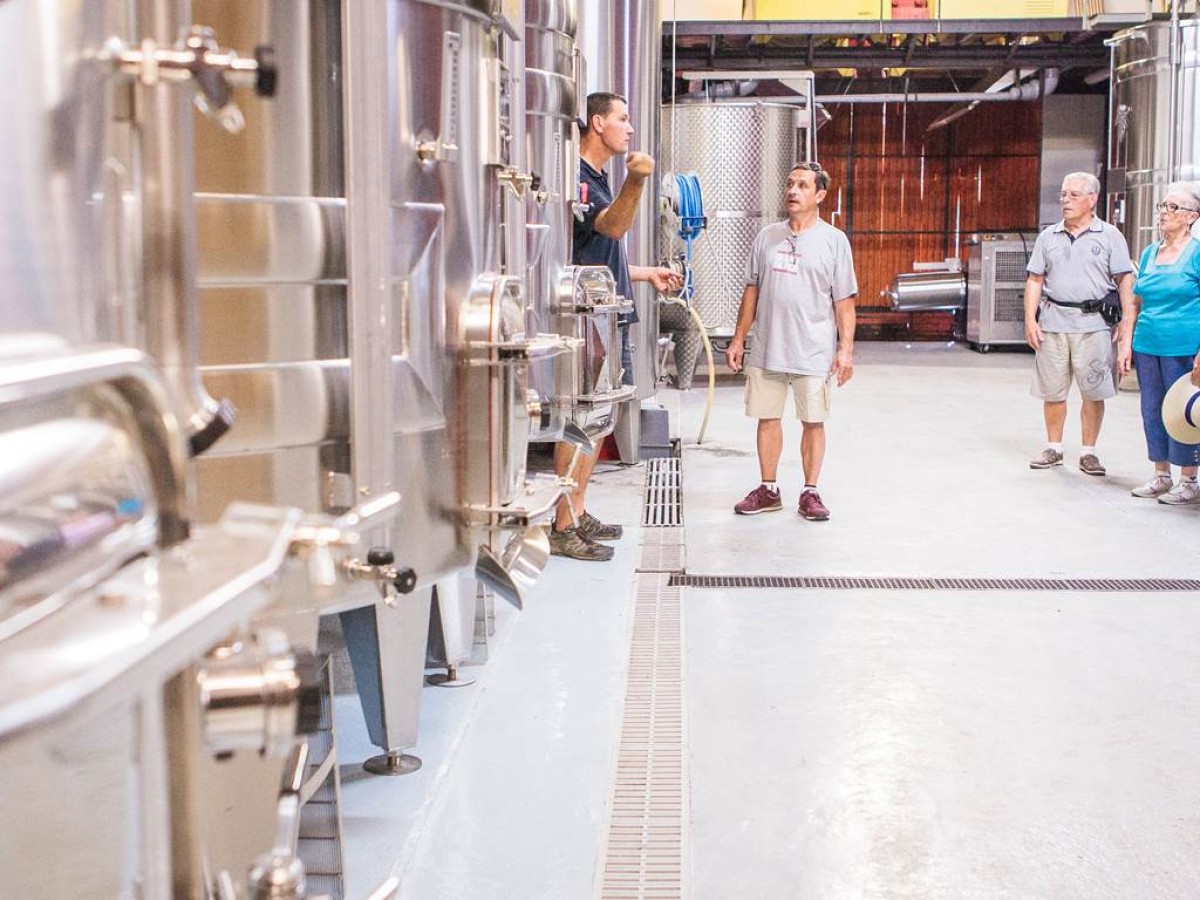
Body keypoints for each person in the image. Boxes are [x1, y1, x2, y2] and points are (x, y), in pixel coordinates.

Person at [549, 91, 682, 561]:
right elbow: (610, 229)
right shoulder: (580, 178)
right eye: (622, 119)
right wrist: (637, 181)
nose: (629, 128)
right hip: (586, 317)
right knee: (581, 418)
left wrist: (643, 275)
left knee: (599, 418)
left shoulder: (597, 177)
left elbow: (601, 250)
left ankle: (578, 510)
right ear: (597, 122)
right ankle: (563, 525)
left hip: (606, 312)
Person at [725, 162, 857, 520]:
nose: (793, 191)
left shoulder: (833, 241)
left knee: (813, 421)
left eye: (802, 186)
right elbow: (752, 290)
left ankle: (810, 492)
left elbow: (844, 301)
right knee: (767, 418)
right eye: (789, 184)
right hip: (769, 346)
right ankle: (768, 489)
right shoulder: (767, 236)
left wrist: (845, 350)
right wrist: (739, 339)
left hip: (812, 350)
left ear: (820, 195)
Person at [1023, 172, 1135, 476]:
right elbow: (1035, 280)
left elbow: (1125, 279)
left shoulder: (1110, 236)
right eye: (1063, 195)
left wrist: (1126, 320)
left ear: (1092, 199)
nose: (1065, 201)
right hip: (1053, 323)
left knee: (1094, 390)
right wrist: (1030, 320)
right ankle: (1054, 447)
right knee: (1053, 390)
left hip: (1094, 325)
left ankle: (1088, 452)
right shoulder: (1049, 237)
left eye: (1073, 195)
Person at [1127, 181, 1200, 505]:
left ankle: (1189, 478)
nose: (1164, 213)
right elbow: (1137, 300)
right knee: (1152, 409)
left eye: (1173, 208)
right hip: (1148, 343)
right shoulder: (1149, 252)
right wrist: (1126, 342)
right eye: (1163, 206)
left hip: (1184, 345)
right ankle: (1161, 473)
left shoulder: (1197, 254)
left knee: (1182, 412)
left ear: (1191, 217)